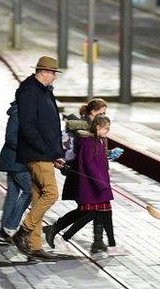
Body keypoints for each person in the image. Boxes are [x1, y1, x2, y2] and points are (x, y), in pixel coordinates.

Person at [11, 56, 65, 261]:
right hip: (37, 153)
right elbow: (28, 126)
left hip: (44, 153)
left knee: (38, 198)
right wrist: (46, 150)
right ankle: (23, 233)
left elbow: (50, 126)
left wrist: (56, 154)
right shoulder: (30, 91)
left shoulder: (43, 91)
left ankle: (34, 245)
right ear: (43, 72)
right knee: (50, 194)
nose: (54, 77)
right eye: (53, 73)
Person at [44, 98, 108, 249]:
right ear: (92, 112)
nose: (104, 116)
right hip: (83, 176)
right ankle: (55, 228)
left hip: (89, 176)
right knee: (88, 209)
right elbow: (84, 156)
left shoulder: (94, 128)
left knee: (96, 208)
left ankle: (97, 241)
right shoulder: (83, 130)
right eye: (101, 113)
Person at [75, 115, 115, 254]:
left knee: (99, 212)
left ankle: (100, 241)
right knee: (87, 213)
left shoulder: (100, 140)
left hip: (99, 184)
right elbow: (89, 164)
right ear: (98, 127)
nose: (108, 132)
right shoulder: (89, 142)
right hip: (94, 185)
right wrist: (101, 182)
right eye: (106, 129)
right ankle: (60, 232)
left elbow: (98, 160)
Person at [0, 100, 32, 244]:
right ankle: (10, 226)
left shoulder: (25, 112)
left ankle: (3, 234)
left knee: (12, 196)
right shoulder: (18, 113)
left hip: (16, 161)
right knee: (31, 191)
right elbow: (11, 138)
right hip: (15, 162)